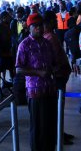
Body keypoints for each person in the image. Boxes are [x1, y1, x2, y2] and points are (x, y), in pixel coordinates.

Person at [16, 13, 57, 151]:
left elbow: (53, 62)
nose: (39, 28)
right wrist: (38, 73)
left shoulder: (47, 43)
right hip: (35, 91)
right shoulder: (24, 45)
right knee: (37, 126)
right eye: (35, 26)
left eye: (40, 25)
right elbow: (19, 69)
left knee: (49, 125)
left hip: (49, 90)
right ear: (29, 28)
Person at [42, 10, 74, 145]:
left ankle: (60, 131)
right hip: (57, 77)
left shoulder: (51, 36)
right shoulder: (50, 37)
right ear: (48, 23)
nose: (57, 22)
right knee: (57, 107)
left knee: (59, 106)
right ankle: (58, 134)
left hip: (60, 76)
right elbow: (52, 60)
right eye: (55, 21)